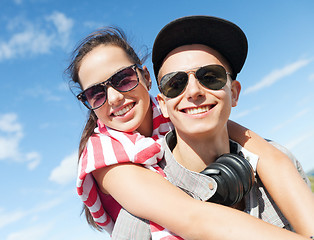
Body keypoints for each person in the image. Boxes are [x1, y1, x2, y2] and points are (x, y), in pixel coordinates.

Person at [65, 23, 313, 240]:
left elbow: (265, 153)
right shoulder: (101, 154)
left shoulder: (174, 106)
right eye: (95, 94)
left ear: (146, 77)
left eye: (123, 78)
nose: (115, 97)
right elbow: (193, 218)